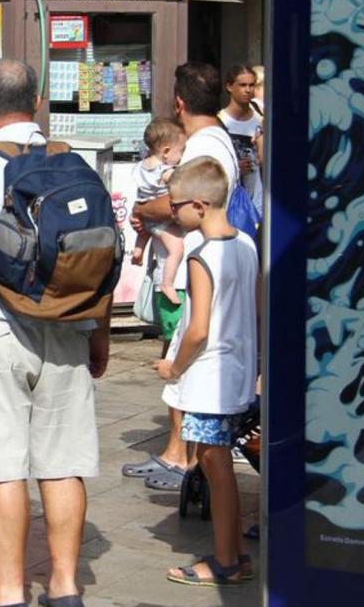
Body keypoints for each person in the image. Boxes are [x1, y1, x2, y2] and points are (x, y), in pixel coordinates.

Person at [0, 58, 107, 607]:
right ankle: (65, 587)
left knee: (3, 466)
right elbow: (100, 259)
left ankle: (7, 595)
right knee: (63, 463)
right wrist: (98, 335)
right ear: (36, 103)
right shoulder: (74, 163)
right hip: (68, 328)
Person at [122, 62, 240, 492]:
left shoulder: (202, 146)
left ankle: (185, 459)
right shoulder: (215, 140)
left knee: (181, 351)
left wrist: (143, 211)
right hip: (200, 260)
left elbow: (178, 202)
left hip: (198, 264)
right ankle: (179, 453)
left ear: (179, 103)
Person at [152, 156, 258, 586]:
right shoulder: (247, 245)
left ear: (199, 205)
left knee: (216, 468)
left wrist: (172, 367)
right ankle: (233, 553)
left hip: (210, 379)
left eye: (175, 205)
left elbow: (197, 330)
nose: (172, 212)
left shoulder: (201, 257)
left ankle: (226, 560)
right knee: (221, 468)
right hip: (236, 371)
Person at [131, 119, 187, 305]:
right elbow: (177, 184)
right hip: (160, 221)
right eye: (180, 151)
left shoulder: (141, 166)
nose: (182, 155)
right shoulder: (165, 171)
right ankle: (167, 283)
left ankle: (138, 250)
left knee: (144, 230)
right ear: (165, 152)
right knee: (177, 248)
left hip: (144, 216)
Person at [218, 65, 263, 215]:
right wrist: (234, 167)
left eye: (251, 85)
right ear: (229, 87)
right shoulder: (220, 121)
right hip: (235, 202)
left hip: (262, 195)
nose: (248, 90)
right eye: (242, 85)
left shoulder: (261, 115)